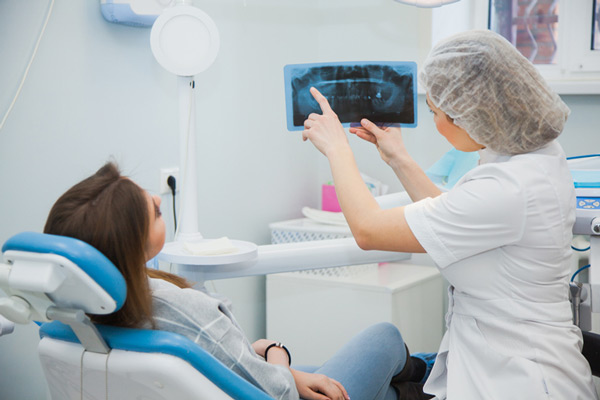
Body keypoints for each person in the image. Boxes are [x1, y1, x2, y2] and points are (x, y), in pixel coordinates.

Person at [301, 30, 598, 399]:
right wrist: (398, 158)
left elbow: (368, 230)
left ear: (473, 116)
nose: (435, 125)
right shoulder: (533, 157)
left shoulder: (509, 188)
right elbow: (457, 218)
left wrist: (336, 148)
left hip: (518, 382)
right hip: (494, 364)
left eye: (436, 114)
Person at [43, 162, 435, 400]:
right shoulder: (186, 308)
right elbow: (274, 391)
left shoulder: (75, 318)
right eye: (157, 213)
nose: (159, 202)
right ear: (128, 244)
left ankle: (416, 387)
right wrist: (275, 354)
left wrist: (256, 358)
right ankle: (430, 375)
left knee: (383, 393)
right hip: (266, 391)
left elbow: (215, 362)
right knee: (383, 337)